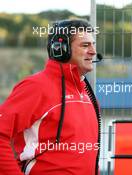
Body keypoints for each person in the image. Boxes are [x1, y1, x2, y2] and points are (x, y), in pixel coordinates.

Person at [0, 19, 101, 175]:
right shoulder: (36, 87)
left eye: (93, 44)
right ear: (61, 49)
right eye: (85, 45)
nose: (93, 51)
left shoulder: (87, 93)